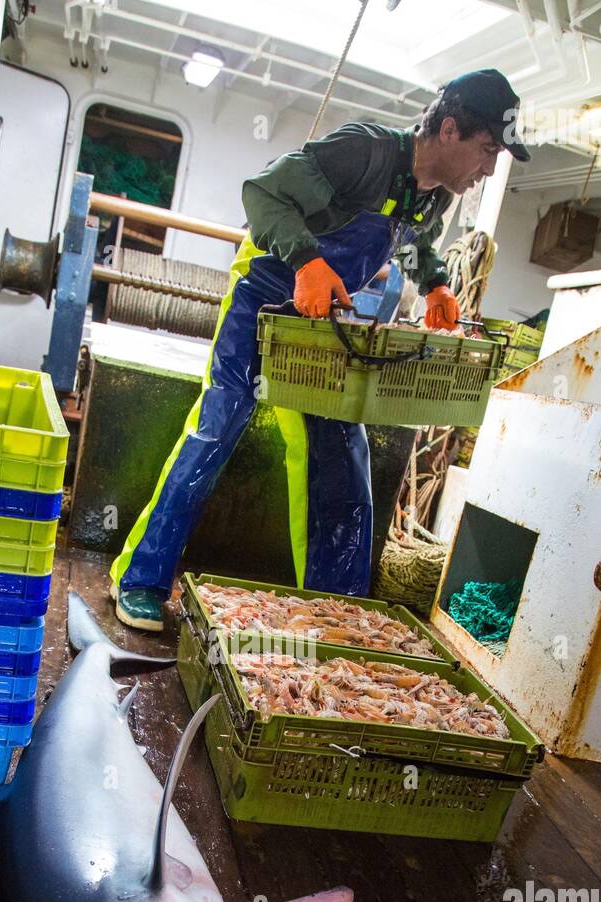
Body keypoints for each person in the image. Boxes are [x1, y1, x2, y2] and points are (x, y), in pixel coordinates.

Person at [111, 69, 529, 631]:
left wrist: (433, 285)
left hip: (321, 320)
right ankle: (139, 580)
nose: (485, 171)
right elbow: (262, 194)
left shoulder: (430, 201)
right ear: (449, 130)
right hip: (262, 297)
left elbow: (414, 245)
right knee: (219, 426)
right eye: (485, 151)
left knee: (341, 449)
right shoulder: (363, 152)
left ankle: (338, 609)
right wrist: (306, 262)